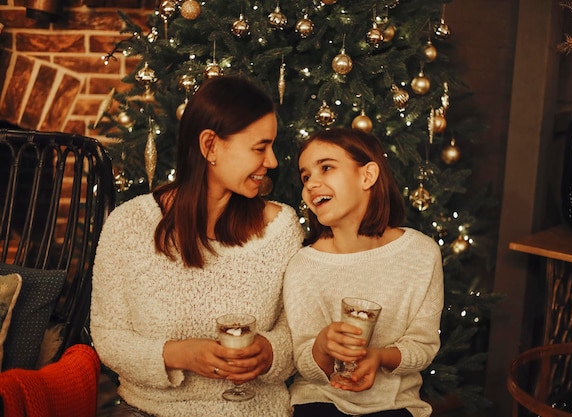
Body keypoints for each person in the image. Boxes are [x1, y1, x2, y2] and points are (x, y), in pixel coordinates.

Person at [90, 76, 304, 417]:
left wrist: (270, 352)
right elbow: (109, 337)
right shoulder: (130, 224)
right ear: (210, 146)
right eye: (260, 147)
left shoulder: (280, 229)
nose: (273, 161)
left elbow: (299, 334)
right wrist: (180, 355)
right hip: (148, 411)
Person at [283, 127, 444, 417]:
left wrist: (380, 357)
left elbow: (423, 345)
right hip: (319, 400)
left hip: (394, 405)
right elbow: (303, 362)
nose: (310, 184)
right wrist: (321, 347)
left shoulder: (421, 253)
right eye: (305, 176)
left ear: (367, 176)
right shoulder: (303, 266)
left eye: (326, 168)